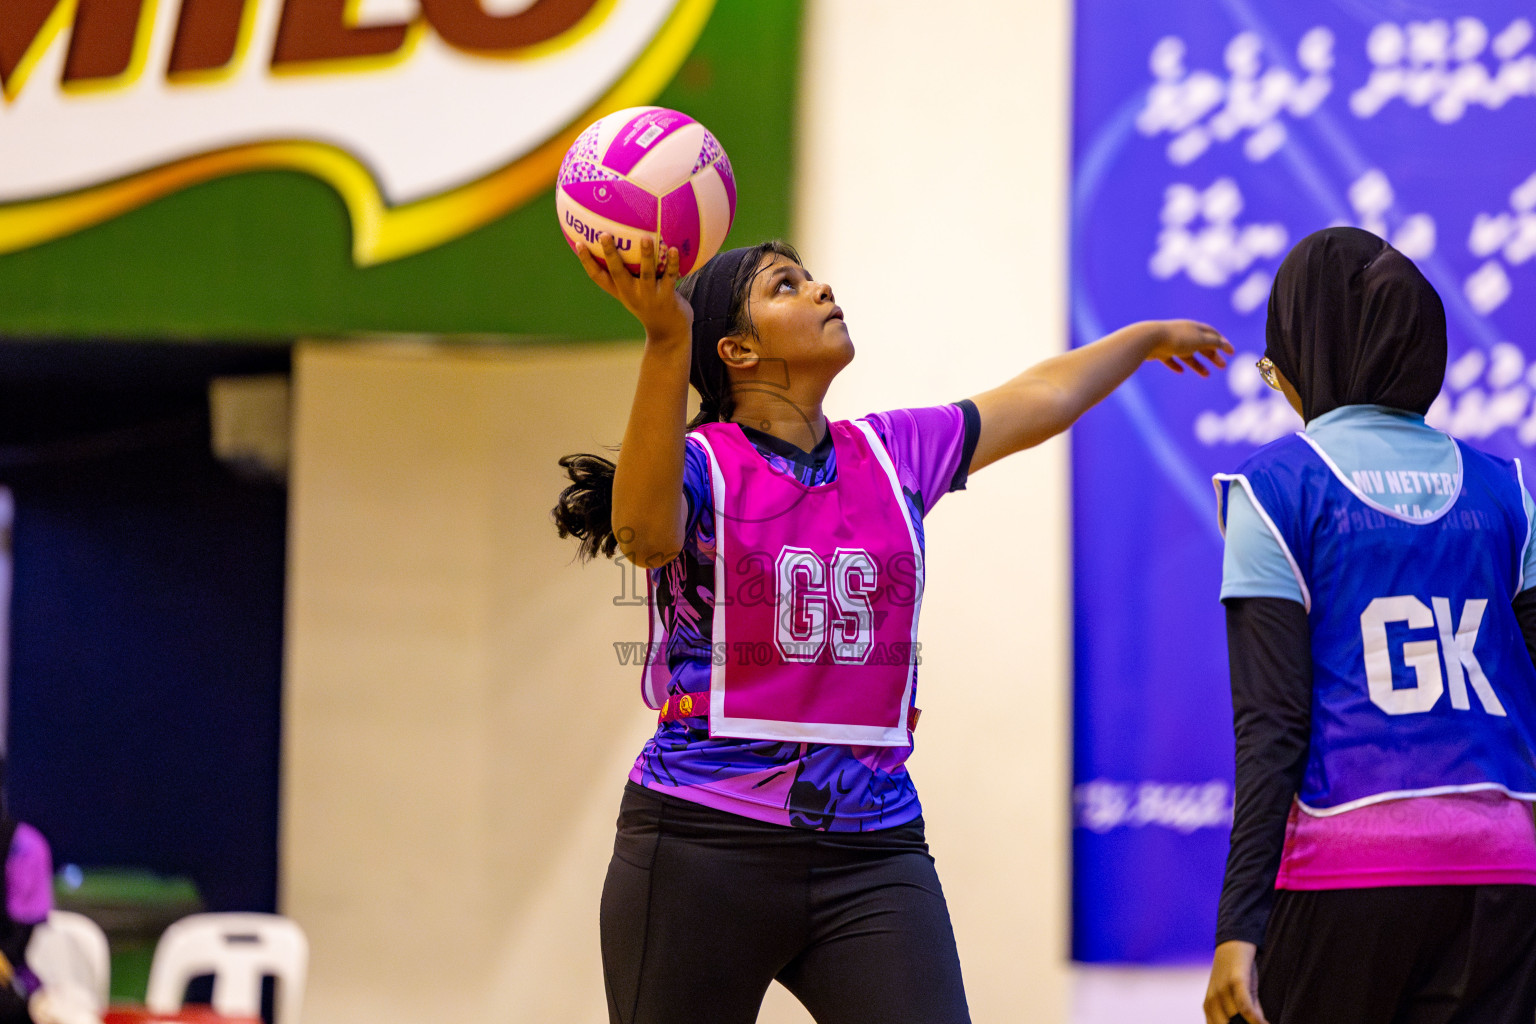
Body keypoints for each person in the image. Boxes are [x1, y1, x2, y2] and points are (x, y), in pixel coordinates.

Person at [555, 231, 1229, 1024]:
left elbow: (1042, 395)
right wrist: (667, 342)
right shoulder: (702, 464)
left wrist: (1144, 337)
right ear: (737, 351)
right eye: (785, 286)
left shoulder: (892, 450)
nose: (821, 289)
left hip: (872, 848)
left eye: (811, 277)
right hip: (702, 842)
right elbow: (643, 536)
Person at [1203, 227, 1536, 1024]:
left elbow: (1272, 725)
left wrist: (1239, 926)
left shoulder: (1273, 489)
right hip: (1506, 875)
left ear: (1308, 355)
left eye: (1275, 367)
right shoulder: (1507, 491)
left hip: (1347, 872)